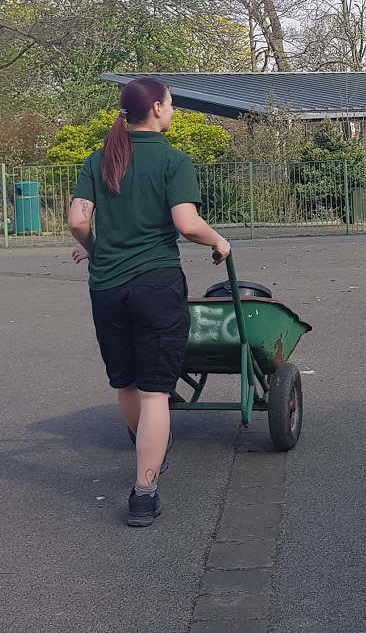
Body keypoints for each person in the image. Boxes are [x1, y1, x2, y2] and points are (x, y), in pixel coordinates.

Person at [68, 77, 230, 527]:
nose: (173, 112)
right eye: (172, 105)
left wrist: (99, 249)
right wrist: (219, 240)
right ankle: (144, 491)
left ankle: (147, 450)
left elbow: (78, 220)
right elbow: (186, 223)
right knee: (156, 390)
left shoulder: (100, 159)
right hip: (155, 284)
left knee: (127, 381)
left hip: (107, 288)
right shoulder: (174, 160)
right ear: (156, 108)